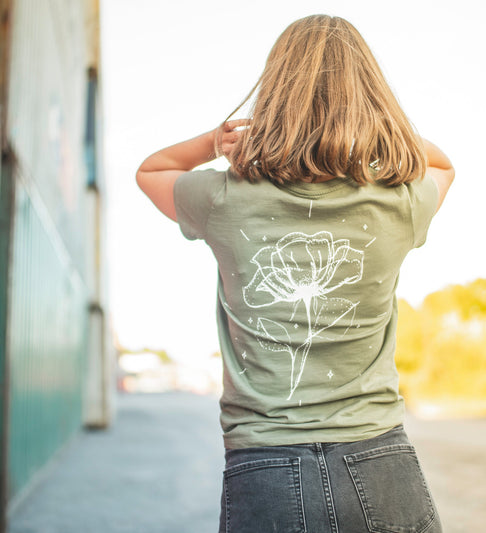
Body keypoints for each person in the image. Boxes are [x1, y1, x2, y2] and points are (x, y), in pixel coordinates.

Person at [136, 14, 454, 533]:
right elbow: (443, 166)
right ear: (370, 101)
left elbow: (151, 170)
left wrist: (214, 142)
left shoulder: (223, 199)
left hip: (264, 464)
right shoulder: (400, 203)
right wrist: (381, 134)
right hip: (381, 459)